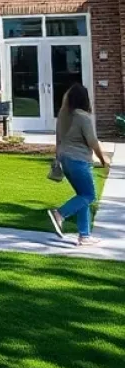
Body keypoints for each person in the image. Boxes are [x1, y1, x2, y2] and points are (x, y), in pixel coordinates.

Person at [47, 83, 111, 246]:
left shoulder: (63, 115)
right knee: (89, 195)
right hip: (78, 160)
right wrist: (103, 159)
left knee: (82, 196)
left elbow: (58, 139)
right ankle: (60, 214)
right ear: (85, 99)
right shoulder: (83, 117)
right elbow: (92, 142)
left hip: (65, 159)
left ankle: (85, 236)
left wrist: (57, 158)